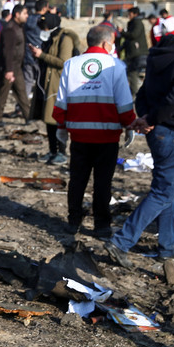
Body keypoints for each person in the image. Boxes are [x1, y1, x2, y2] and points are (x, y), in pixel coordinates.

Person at [104, 6, 174, 269]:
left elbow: (145, 90)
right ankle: (121, 241)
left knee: (170, 191)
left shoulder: (162, 50)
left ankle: (170, 247)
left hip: (160, 129)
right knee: (164, 192)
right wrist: (149, 119)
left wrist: (144, 117)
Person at [54, 25, 136, 238]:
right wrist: (129, 126)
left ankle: (74, 221)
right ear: (106, 43)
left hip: (79, 136)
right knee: (103, 182)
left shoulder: (71, 65)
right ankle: (102, 225)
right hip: (107, 137)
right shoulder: (116, 65)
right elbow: (125, 103)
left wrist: (61, 127)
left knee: (77, 180)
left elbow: (61, 101)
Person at [30, 12, 78, 164]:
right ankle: (52, 151)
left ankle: (62, 152)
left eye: (44, 27)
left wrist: (42, 55)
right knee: (48, 120)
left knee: (58, 121)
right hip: (46, 85)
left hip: (58, 86)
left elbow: (64, 62)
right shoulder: (50, 38)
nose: (42, 30)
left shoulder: (65, 39)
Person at [0, 4, 31, 126]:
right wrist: (8, 70)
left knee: (22, 92)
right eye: (25, 13)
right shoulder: (10, 29)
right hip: (9, 66)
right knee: (3, 93)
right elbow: (8, 51)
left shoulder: (19, 27)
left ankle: (28, 117)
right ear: (17, 14)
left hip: (17, 66)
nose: (27, 16)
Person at [24, 0, 49, 103]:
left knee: (27, 82)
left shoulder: (27, 19)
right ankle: (41, 105)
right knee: (42, 82)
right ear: (44, 8)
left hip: (27, 54)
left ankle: (21, 107)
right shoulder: (43, 21)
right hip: (40, 55)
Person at [121, 7, 148, 96]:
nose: (129, 16)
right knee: (131, 73)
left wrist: (122, 32)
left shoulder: (137, 23)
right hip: (133, 53)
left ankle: (134, 93)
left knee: (133, 73)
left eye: (130, 14)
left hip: (137, 53)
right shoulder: (132, 23)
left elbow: (134, 35)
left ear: (135, 14)